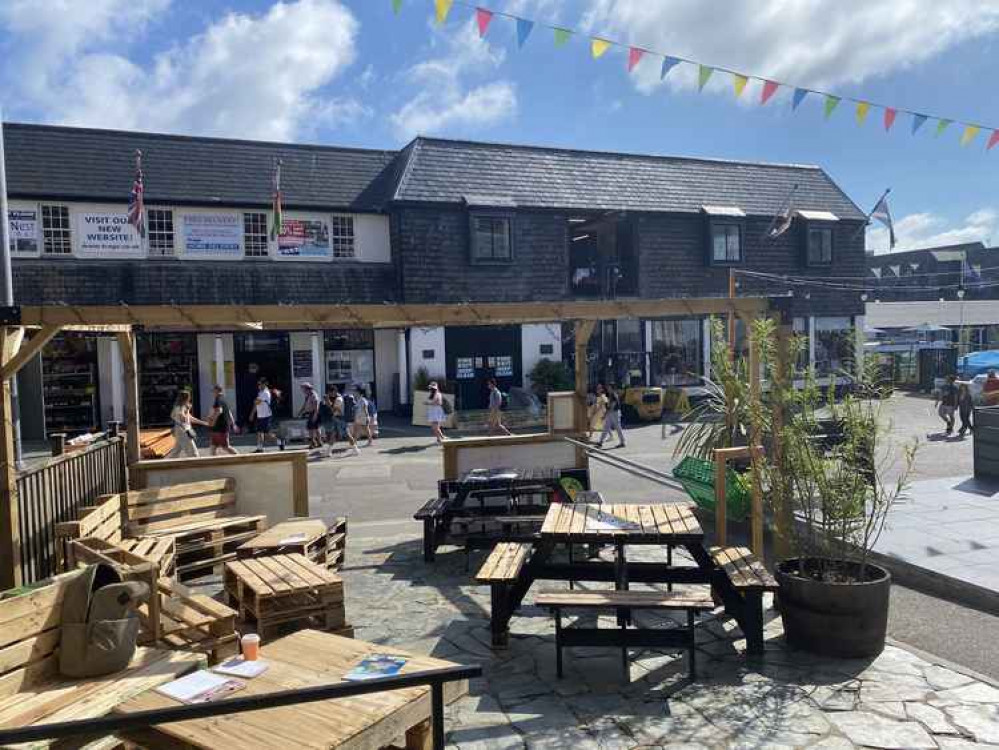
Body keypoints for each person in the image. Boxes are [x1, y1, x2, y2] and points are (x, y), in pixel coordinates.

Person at [166, 390, 207, 458]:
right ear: (186, 398)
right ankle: (197, 465)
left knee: (176, 452)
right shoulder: (180, 407)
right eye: (189, 397)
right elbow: (183, 419)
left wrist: (204, 423)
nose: (190, 399)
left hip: (182, 430)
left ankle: (168, 466)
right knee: (193, 453)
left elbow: (190, 418)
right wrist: (188, 410)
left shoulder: (182, 407)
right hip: (183, 431)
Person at [207, 385, 238, 456]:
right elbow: (229, 412)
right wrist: (233, 424)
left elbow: (219, 411)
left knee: (225, 447)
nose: (213, 393)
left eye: (213, 391)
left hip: (220, 428)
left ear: (217, 391)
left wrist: (213, 421)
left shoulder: (218, 399)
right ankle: (214, 464)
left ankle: (239, 457)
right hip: (220, 428)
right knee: (213, 447)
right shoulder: (224, 399)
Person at [252, 378, 280, 453]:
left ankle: (280, 442)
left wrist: (252, 413)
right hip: (260, 415)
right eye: (258, 384)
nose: (258, 385)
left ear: (264, 384)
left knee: (267, 434)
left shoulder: (265, 393)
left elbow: (257, 402)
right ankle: (260, 448)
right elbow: (256, 403)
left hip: (266, 416)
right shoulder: (260, 392)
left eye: (260, 384)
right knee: (259, 432)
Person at [597, 383, 626, 448]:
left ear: (612, 388)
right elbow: (609, 405)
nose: (607, 388)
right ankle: (600, 442)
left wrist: (605, 414)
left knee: (618, 428)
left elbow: (612, 406)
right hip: (611, 413)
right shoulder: (610, 395)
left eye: (609, 387)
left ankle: (622, 442)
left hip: (614, 413)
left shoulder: (613, 395)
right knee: (606, 427)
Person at [299, 383, 322, 449]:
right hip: (311, 413)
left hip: (314, 413)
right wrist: (301, 411)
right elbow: (305, 404)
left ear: (307, 389)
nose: (303, 390)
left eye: (303, 389)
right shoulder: (308, 395)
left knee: (311, 429)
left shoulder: (313, 395)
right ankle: (318, 442)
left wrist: (315, 415)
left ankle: (313, 443)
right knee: (315, 428)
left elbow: (316, 406)